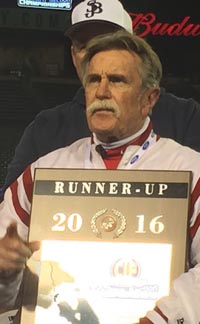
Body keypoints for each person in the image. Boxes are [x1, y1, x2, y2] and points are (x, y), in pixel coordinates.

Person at [0, 29, 200, 324]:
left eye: (117, 80)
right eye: (94, 79)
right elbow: (7, 290)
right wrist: (6, 271)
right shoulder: (43, 173)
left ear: (149, 98)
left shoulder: (189, 170)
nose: (101, 91)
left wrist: (159, 318)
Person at [1, 0, 200, 198]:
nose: (95, 54)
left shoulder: (185, 116)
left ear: (133, 47)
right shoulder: (46, 127)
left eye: (106, 41)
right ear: (73, 55)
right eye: (84, 45)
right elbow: (12, 212)